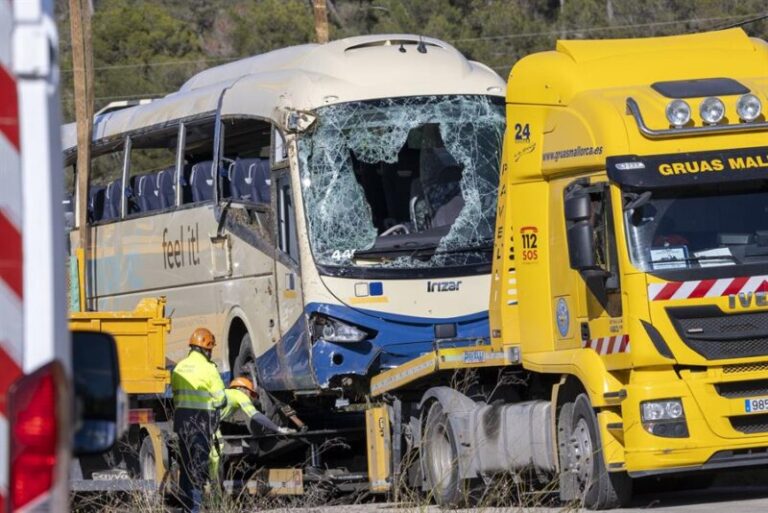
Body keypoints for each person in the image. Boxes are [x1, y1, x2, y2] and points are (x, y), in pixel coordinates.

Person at [171, 327, 227, 513]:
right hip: (200, 423)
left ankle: (187, 508)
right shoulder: (208, 369)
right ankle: (196, 509)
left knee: (186, 467)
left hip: (181, 425)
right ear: (206, 349)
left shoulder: (179, 367)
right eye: (210, 349)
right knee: (199, 469)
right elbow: (221, 399)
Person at [209, 376, 295, 480]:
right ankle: (213, 487)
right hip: (207, 424)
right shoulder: (239, 395)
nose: (251, 397)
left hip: (203, 423)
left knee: (213, 456)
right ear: (243, 389)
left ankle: (212, 487)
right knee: (215, 457)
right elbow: (256, 416)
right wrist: (278, 429)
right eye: (250, 393)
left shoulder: (226, 394)